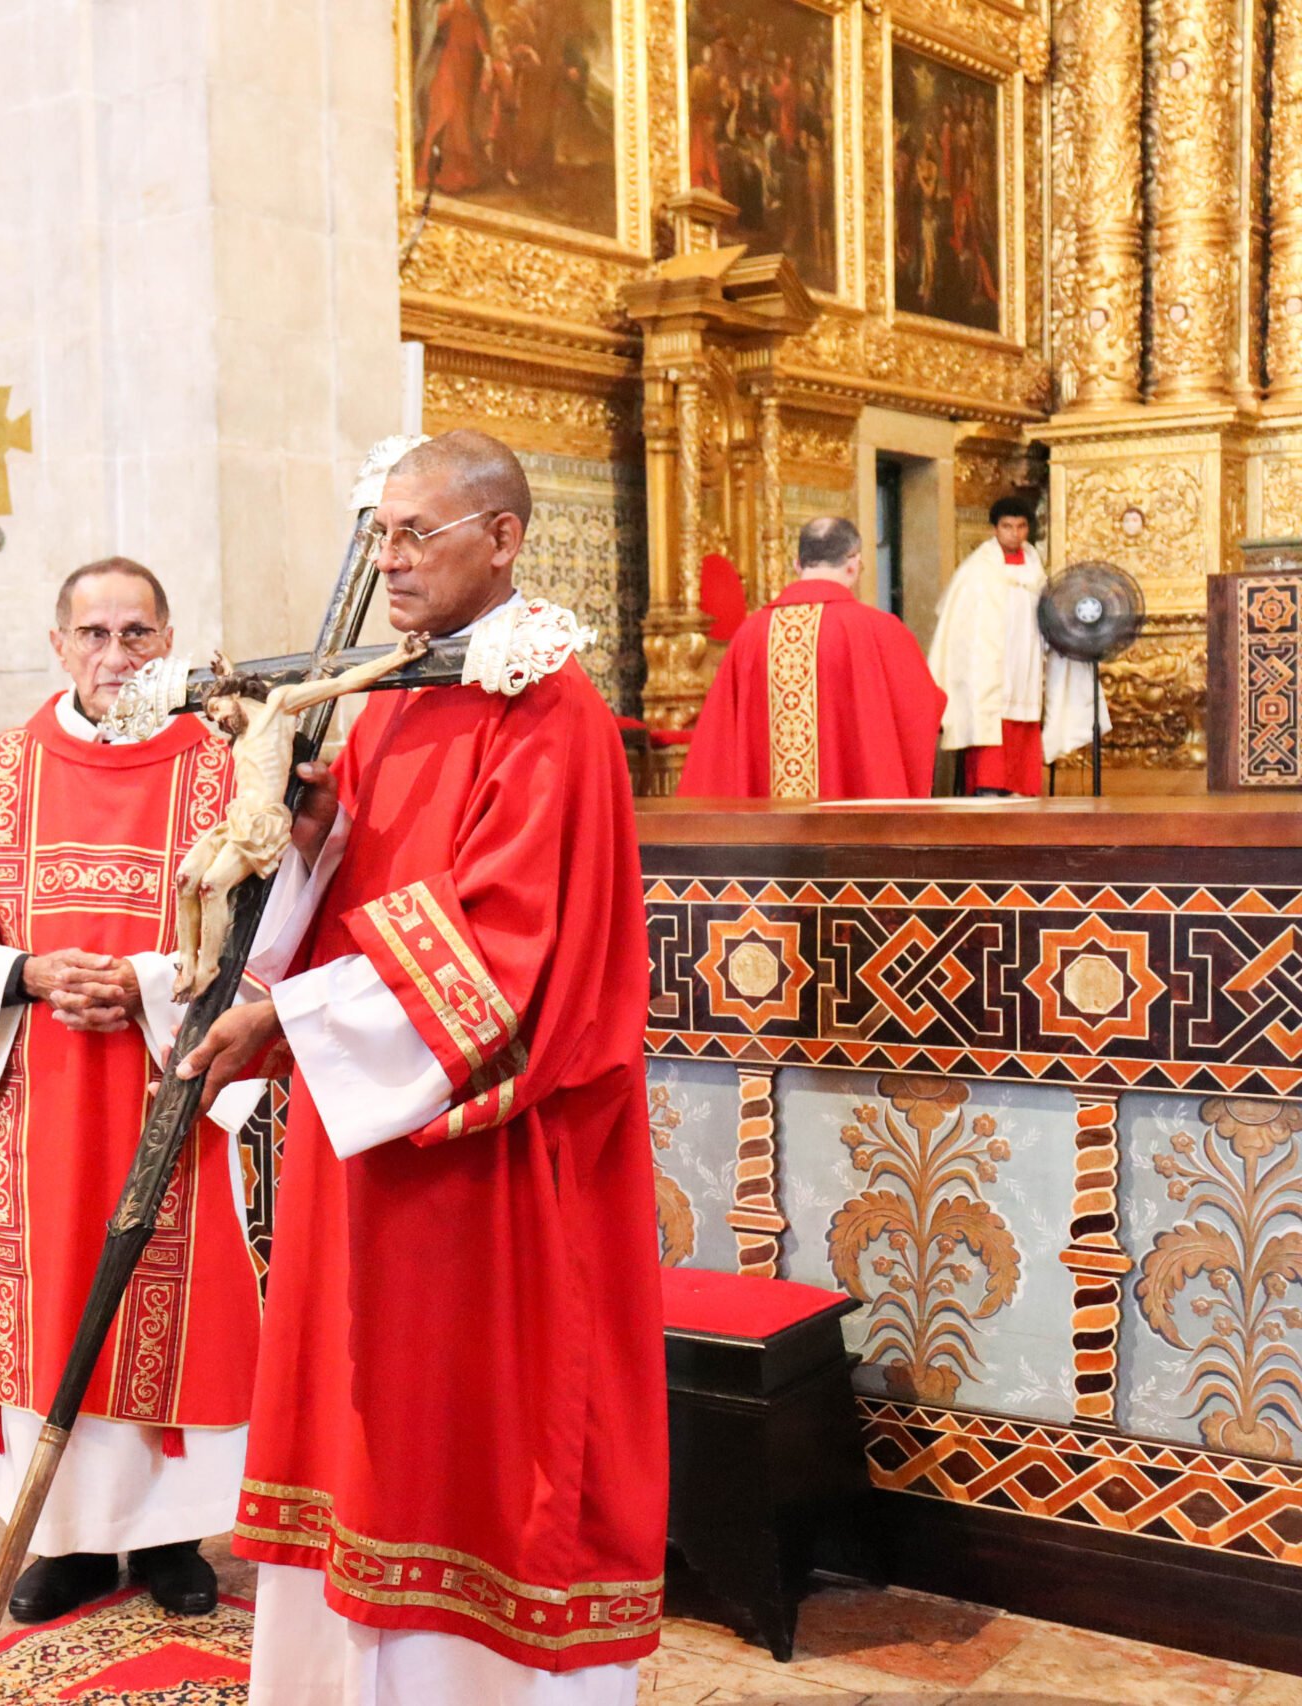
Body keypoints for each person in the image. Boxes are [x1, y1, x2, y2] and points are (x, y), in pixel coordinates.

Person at [179, 431, 666, 1704]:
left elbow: (505, 944)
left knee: (468, 1432)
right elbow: (366, 878)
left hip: (485, 1148)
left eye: (415, 533)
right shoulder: (401, 685)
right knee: (358, 1422)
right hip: (369, 1129)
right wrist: (313, 831)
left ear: (501, 539)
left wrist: (284, 1023)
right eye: (378, 533)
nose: (387, 559)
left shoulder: (544, 708)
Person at [0, 558, 260, 1625]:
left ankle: (170, 1535)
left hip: (171, 1087)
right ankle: (63, 1541)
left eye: (137, 633)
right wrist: (26, 973)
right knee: (51, 1299)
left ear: (169, 640)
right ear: (58, 645)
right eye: (93, 633)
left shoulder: (223, 771)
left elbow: (267, 930)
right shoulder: (0, 769)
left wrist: (148, 985)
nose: (115, 655)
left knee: (167, 1297)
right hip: (38, 1101)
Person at [680, 516, 948, 800]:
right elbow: (920, 711)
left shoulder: (750, 634)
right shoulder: (882, 631)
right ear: (854, 564)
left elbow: (719, 736)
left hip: (768, 822)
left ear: (797, 564)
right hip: (855, 821)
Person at [929, 494, 1102, 796]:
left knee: (1024, 717)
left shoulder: (1035, 568)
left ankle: (1022, 785)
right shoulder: (977, 569)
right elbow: (958, 623)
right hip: (989, 660)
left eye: (1021, 527)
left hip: (1027, 658)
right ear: (995, 529)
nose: (1015, 534)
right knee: (990, 719)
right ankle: (989, 785)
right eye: (1007, 527)